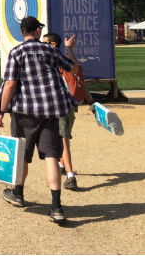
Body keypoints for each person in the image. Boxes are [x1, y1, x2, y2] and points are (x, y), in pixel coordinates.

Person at [0, 16, 76, 224]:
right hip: (52, 110)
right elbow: (70, 67)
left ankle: (18, 193)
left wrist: (1, 111)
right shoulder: (49, 50)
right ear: (38, 31)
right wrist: (69, 48)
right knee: (51, 155)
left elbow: (10, 84)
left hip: (25, 113)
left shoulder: (16, 52)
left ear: (23, 32)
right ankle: (56, 207)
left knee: (22, 154)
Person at [42, 32, 93, 190]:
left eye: (45, 43)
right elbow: (80, 80)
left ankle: (71, 177)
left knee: (63, 141)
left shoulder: (56, 62)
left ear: (53, 45)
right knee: (62, 138)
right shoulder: (57, 61)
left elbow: (73, 66)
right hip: (71, 106)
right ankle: (62, 165)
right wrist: (91, 102)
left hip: (61, 106)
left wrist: (70, 48)